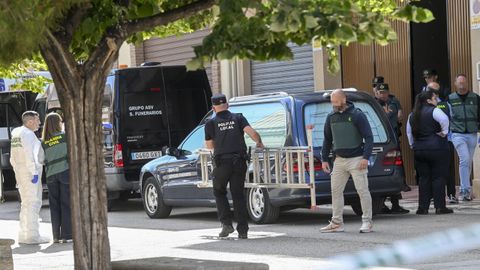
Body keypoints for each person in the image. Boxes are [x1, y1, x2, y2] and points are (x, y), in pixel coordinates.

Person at [205, 93, 264, 239]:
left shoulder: (210, 123)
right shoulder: (238, 117)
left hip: (222, 163)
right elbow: (252, 133)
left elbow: (210, 145)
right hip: (239, 162)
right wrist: (259, 143)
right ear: (227, 105)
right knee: (238, 194)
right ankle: (243, 230)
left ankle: (226, 224)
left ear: (213, 108)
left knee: (219, 192)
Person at [320, 89, 374, 233]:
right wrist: (324, 159)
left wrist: (365, 157)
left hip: (357, 159)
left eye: (336, 101)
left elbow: (369, 137)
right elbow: (327, 139)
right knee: (335, 191)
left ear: (344, 99)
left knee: (362, 191)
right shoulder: (331, 117)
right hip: (339, 160)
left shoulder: (357, 115)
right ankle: (337, 222)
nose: (333, 104)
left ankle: (367, 221)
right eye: (332, 101)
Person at [406, 90, 453, 215]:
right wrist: (444, 132)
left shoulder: (412, 114)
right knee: (438, 177)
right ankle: (440, 207)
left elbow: (409, 132)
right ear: (428, 100)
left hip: (419, 149)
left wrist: (412, 145)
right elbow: (445, 120)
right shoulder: (435, 110)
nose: (436, 100)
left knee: (423, 178)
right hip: (437, 148)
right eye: (434, 98)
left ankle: (423, 207)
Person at [10, 111, 49, 244]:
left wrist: (17, 173)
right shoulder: (28, 134)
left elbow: (12, 157)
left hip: (21, 172)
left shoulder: (16, 132)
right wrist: (34, 173)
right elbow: (29, 154)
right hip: (29, 173)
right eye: (37, 120)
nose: (39, 123)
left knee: (25, 203)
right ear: (30, 121)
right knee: (33, 202)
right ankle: (33, 235)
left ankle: (24, 234)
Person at [373, 83, 409, 214]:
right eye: (380, 92)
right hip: (381, 142)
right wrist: (386, 115)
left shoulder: (393, 102)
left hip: (393, 140)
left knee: (395, 171)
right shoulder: (373, 105)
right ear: (376, 93)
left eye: (384, 92)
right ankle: (381, 205)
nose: (382, 95)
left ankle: (396, 204)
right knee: (381, 171)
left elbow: (399, 116)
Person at [448, 74, 480, 201]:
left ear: (467, 83)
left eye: (463, 82)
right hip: (457, 133)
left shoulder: (476, 98)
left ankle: (467, 191)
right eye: (459, 83)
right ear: (455, 84)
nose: (462, 85)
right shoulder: (450, 99)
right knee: (464, 159)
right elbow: (444, 115)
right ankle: (464, 190)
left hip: (472, 134)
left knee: (468, 161)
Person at [41, 113, 72, 243]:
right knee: (66, 204)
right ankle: (67, 235)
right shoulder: (65, 137)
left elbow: (41, 160)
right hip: (64, 172)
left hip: (50, 175)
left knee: (54, 206)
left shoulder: (43, 141)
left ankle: (56, 236)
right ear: (58, 123)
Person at [427, 82, 458, 204]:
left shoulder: (445, 105)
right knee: (432, 170)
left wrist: (445, 133)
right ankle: (433, 195)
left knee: (448, 169)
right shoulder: (421, 105)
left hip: (446, 140)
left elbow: (451, 119)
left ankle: (451, 194)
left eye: (433, 90)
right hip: (431, 142)